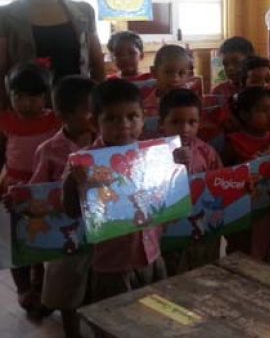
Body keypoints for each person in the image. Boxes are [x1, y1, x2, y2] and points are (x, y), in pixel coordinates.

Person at [62, 79, 166, 302]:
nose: (124, 125)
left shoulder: (155, 154)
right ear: (93, 122)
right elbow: (70, 211)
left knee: (157, 319)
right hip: (111, 265)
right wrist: (74, 181)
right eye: (112, 118)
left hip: (152, 254)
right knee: (115, 323)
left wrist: (177, 165)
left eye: (132, 116)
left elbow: (166, 196)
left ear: (143, 118)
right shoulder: (82, 162)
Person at [0, 0, 105, 108]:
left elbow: (97, 63)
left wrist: (100, 105)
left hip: (78, 109)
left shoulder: (83, 11)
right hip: (29, 110)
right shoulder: (6, 15)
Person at [30, 75, 95, 337]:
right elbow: (38, 192)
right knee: (68, 292)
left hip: (101, 230)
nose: (96, 115)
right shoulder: (48, 150)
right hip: (66, 233)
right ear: (63, 115)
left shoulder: (104, 142)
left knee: (96, 285)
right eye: (89, 110)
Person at [0, 63, 60, 315]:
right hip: (13, 188)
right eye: (18, 96)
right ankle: (24, 289)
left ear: (46, 96)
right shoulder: (6, 120)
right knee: (17, 241)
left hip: (42, 188)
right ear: (9, 94)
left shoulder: (54, 119)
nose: (25, 103)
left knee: (39, 236)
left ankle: (40, 283)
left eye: (33, 97)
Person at [159, 89, 223, 274]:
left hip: (203, 229)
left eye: (192, 122)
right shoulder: (154, 155)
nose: (185, 129)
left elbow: (219, 184)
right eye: (176, 122)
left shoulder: (207, 152)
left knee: (204, 271)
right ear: (162, 124)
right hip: (170, 232)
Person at [224, 87, 270, 260]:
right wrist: (244, 167)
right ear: (244, 114)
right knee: (247, 251)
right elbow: (224, 176)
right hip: (247, 212)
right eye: (262, 110)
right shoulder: (233, 142)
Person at [143, 45, 193, 116]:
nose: (175, 79)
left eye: (181, 73)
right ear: (154, 72)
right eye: (168, 72)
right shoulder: (146, 109)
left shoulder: (193, 103)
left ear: (188, 75)